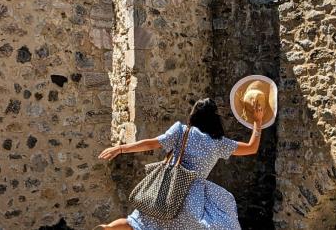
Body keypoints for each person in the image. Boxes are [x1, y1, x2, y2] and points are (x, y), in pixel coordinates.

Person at [95, 97, 265, 230]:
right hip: (192, 199)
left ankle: (107, 228)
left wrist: (121, 148)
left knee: (136, 223)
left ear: (194, 115)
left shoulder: (181, 131)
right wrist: (258, 122)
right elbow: (251, 148)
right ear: (215, 119)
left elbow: (152, 143)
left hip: (167, 190)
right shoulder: (219, 143)